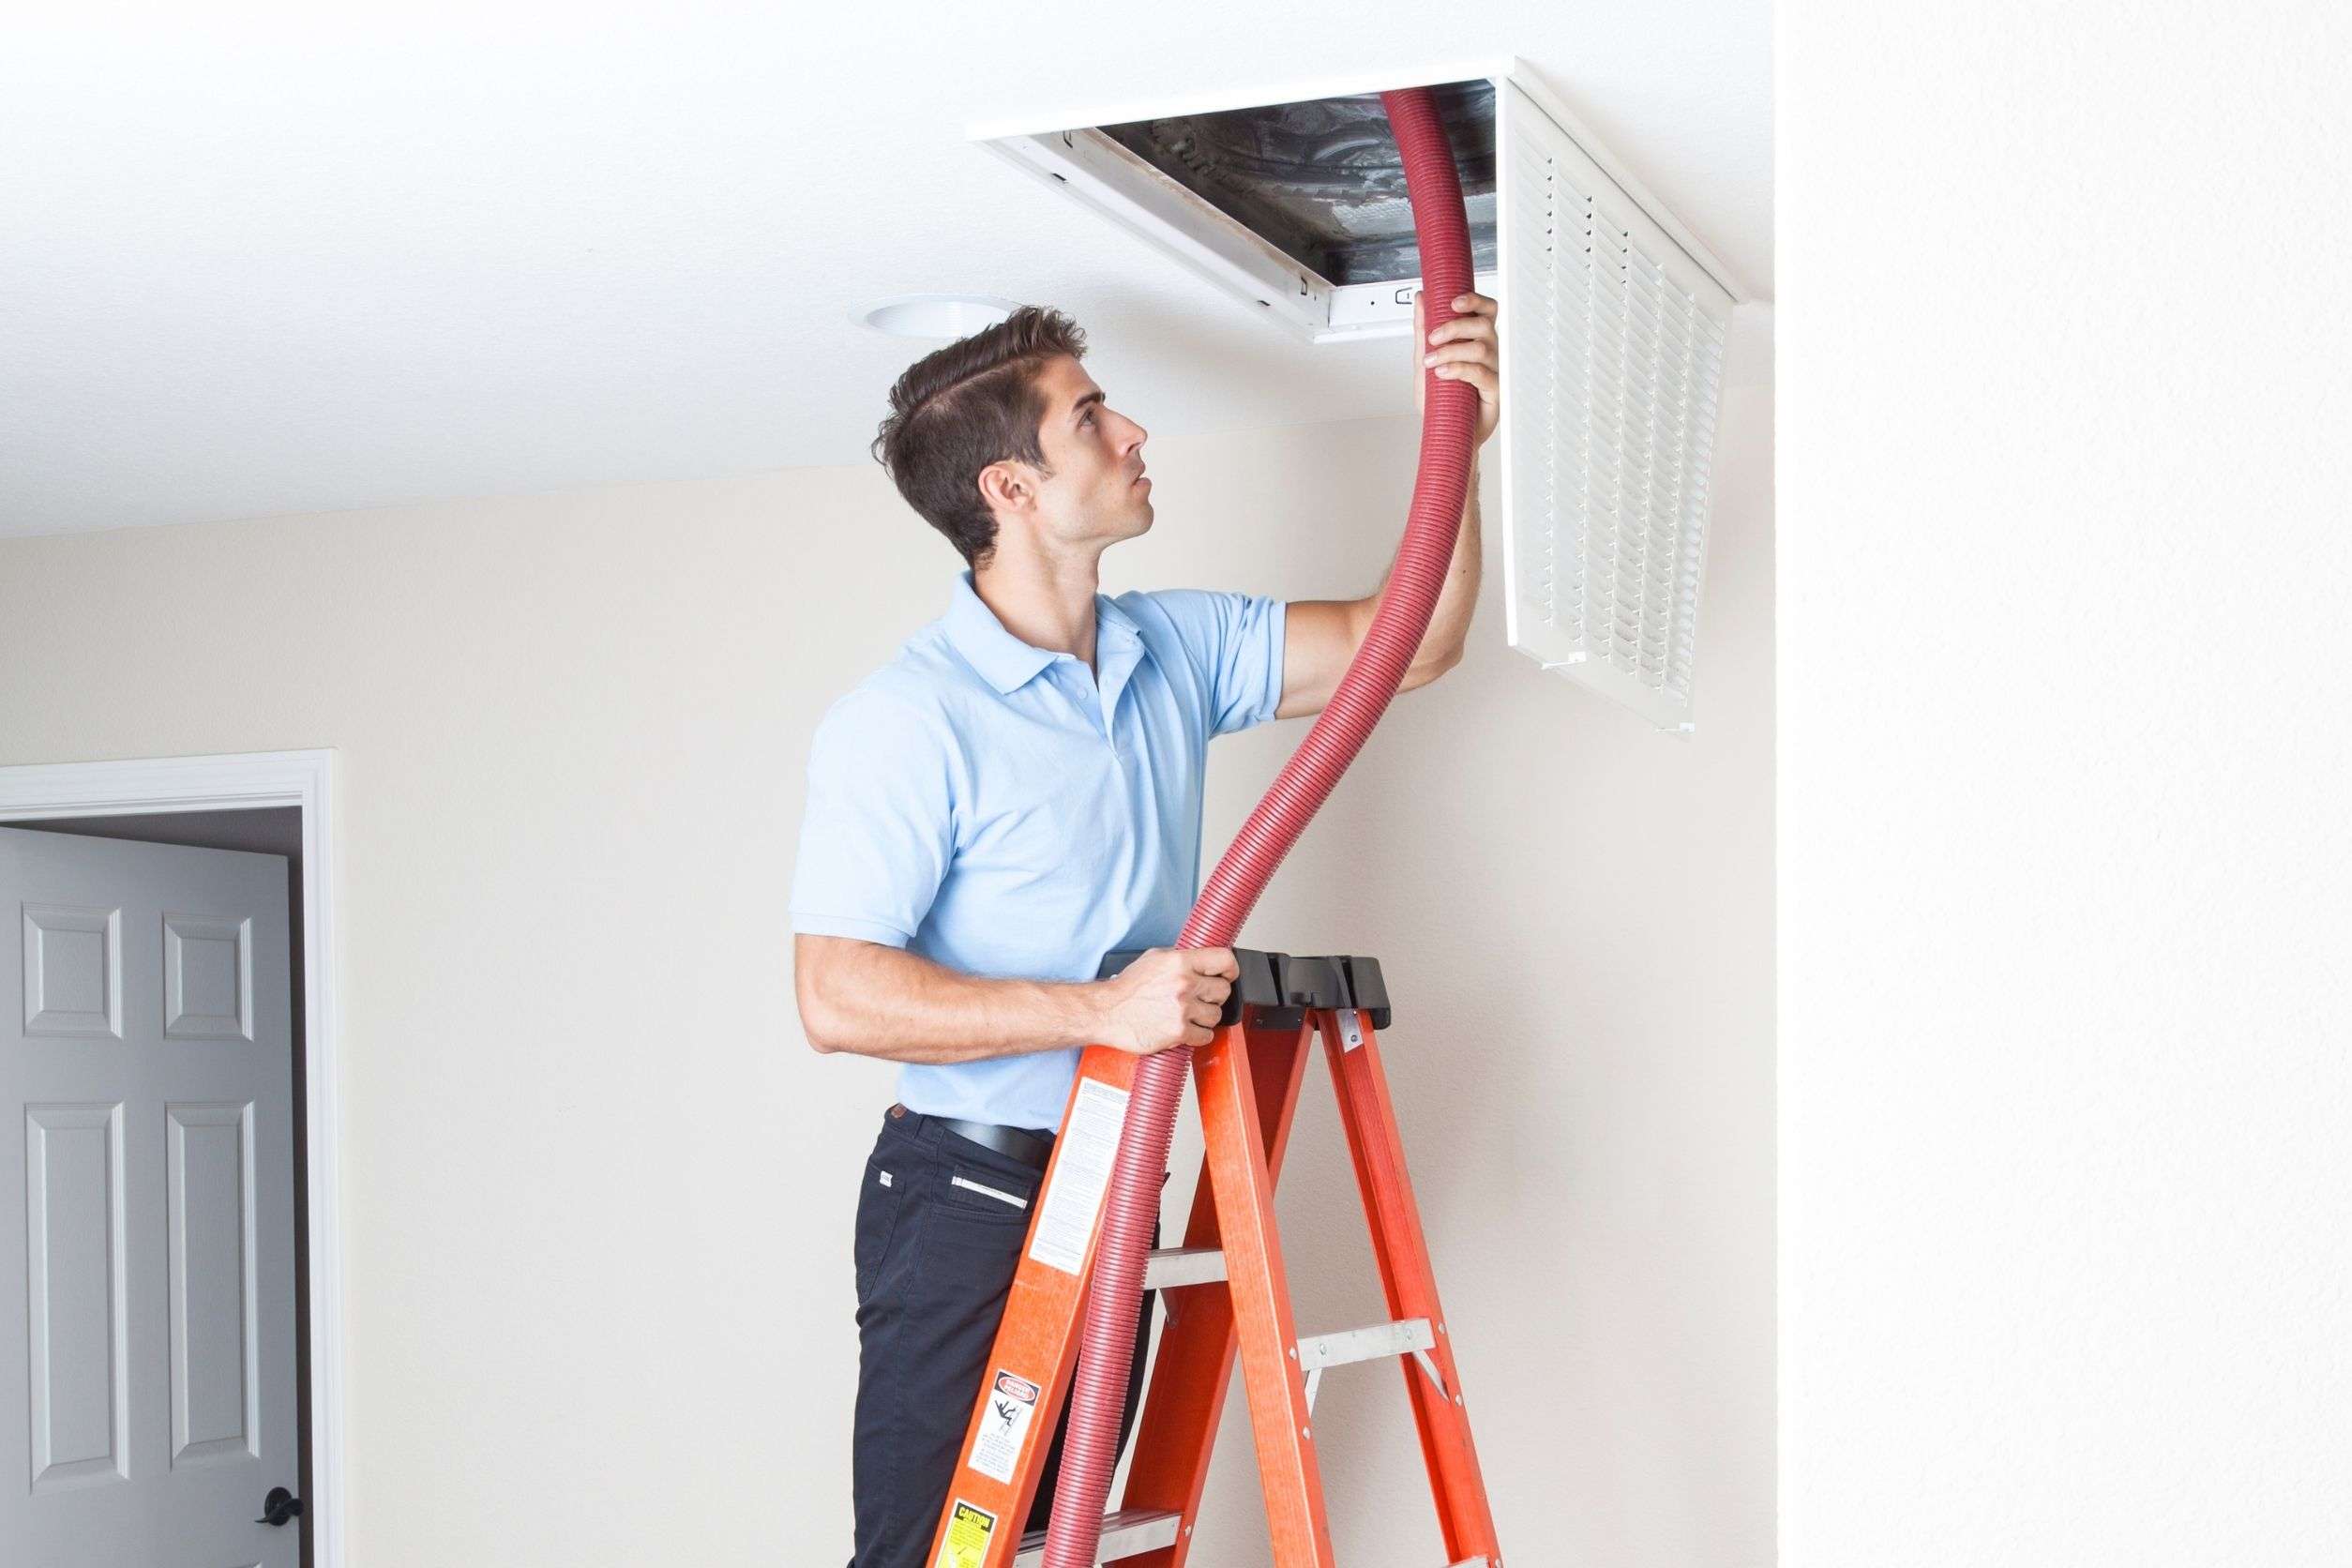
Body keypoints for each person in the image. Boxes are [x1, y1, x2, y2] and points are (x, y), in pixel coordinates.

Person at [791, 292, 1498, 1567]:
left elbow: (1419, 644)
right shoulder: (908, 719)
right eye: (1090, 416)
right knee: (934, 1562)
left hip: (1112, 1177)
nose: (1133, 430)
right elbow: (837, 996)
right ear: (1011, 488)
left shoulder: (1170, 648)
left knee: (1061, 1550)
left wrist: (1463, 444)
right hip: (968, 1198)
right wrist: (1097, 1010)